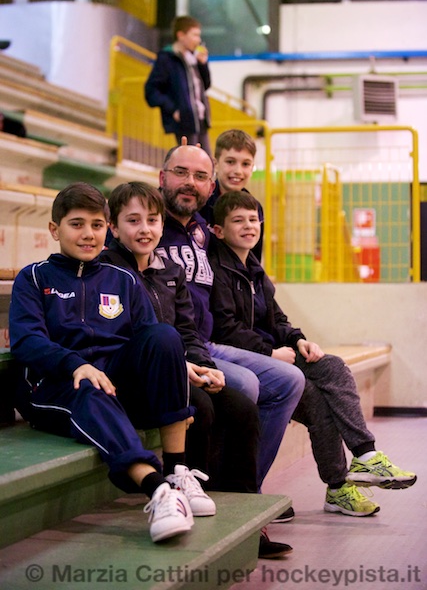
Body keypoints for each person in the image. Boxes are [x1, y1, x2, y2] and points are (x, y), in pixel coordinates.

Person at [8, 182, 216, 545]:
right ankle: (158, 490)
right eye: (76, 224)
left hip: (114, 380)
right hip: (54, 386)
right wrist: (74, 364)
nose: (88, 234)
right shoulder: (34, 277)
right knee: (91, 386)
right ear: (55, 229)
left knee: (165, 336)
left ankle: (177, 471)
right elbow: (27, 341)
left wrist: (176, 366)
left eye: (96, 225)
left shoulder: (123, 279)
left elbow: (151, 339)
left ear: (107, 229)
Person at [209, 190, 418, 517]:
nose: (249, 226)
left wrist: (299, 341)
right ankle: (335, 486)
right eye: (239, 221)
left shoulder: (254, 268)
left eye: (253, 220)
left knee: (332, 366)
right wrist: (270, 352)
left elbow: (277, 318)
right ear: (219, 230)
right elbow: (224, 328)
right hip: (248, 358)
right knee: (318, 401)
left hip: (273, 353)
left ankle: (364, 457)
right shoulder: (216, 269)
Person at [157, 143, 305, 556]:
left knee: (292, 380)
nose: (190, 183)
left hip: (206, 342)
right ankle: (225, 496)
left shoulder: (204, 232)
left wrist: (291, 337)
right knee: (247, 387)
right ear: (162, 177)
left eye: (200, 176)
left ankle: (248, 497)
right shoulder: (150, 223)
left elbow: (251, 277)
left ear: (211, 187)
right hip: (177, 346)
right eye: (181, 173)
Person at [101, 180, 260, 496]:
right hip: (136, 378)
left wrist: (204, 366)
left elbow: (187, 330)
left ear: (162, 225)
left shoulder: (172, 271)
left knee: (243, 410)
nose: (144, 229)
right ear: (114, 229)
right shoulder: (107, 271)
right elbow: (119, 336)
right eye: (133, 221)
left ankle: (242, 503)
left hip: (180, 369)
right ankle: (188, 488)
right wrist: (180, 366)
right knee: (200, 407)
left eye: (152, 220)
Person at [145, 15, 211, 154]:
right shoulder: (167, 58)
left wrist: (203, 65)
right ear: (181, 35)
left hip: (200, 119)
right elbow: (151, 91)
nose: (198, 40)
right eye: (194, 35)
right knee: (191, 159)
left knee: (207, 160)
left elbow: (205, 85)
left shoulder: (193, 58)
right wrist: (173, 110)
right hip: (185, 120)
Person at [200, 129, 263, 260]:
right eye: (230, 162)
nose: (238, 171)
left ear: (252, 167)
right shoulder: (201, 202)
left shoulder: (255, 208)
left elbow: (253, 259)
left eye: (245, 164)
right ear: (215, 164)